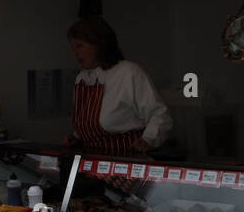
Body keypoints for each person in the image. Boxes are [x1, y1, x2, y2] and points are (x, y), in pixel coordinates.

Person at [66, 16, 173, 154]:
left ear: (100, 45)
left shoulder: (129, 72)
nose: (74, 52)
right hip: (92, 160)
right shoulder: (81, 78)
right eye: (73, 46)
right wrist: (76, 138)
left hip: (126, 159)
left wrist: (148, 140)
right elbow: (88, 124)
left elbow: (160, 115)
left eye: (79, 46)